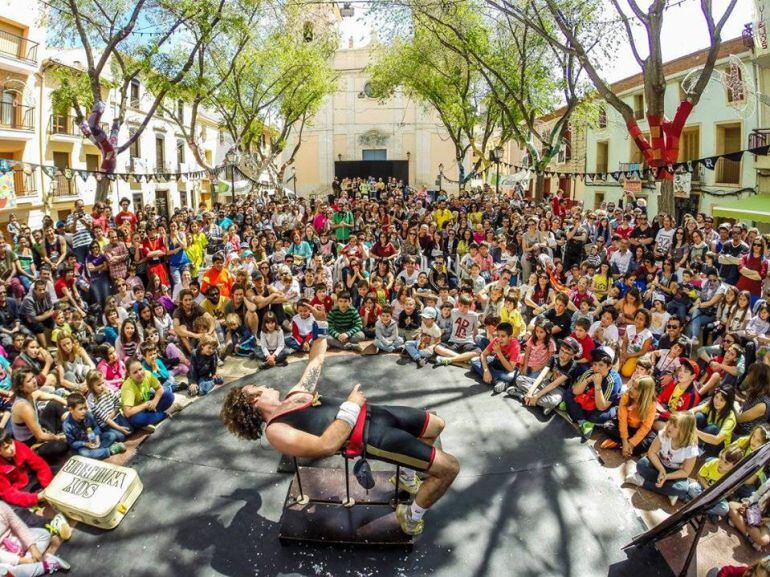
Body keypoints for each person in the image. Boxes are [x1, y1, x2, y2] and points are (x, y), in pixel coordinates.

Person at [220, 338, 460, 536]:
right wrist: (351, 406)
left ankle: (407, 476)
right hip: (371, 437)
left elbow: (315, 361)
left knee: (436, 425)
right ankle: (411, 517)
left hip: (375, 413)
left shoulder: (294, 395)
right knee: (449, 468)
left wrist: (320, 334)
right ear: (252, 400)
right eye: (256, 387)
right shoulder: (276, 430)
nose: (262, 385)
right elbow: (326, 445)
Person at [625, 411, 700, 506]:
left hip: (674, 473)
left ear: (684, 432)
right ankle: (668, 490)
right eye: (670, 422)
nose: (670, 427)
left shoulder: (691, 449)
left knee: (682, 489)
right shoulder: (664, 434)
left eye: (675, 426)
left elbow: (685, 472)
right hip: (658, 464)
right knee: (641, 465)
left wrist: (667, 476)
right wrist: (661, 469)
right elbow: (652, 452)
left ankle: (642, 482)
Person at [506, 337, 581, 414]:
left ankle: (521, 395)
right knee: (519, 379)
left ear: (573, 355)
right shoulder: (554, 358)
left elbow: (555, 384)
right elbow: (542, 375)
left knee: (552, 402)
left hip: (559, 390)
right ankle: (534, 400)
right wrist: (530, 392)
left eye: (567, 353)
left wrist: (536, 396)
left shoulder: (572, 366)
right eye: (562, 350)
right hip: (546, 383)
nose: (563, 354)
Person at [599, 375, 657, 456]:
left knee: (652, 440)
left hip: (638, 429)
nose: (631, 389)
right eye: (632, 386)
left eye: (635, 388)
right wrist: (624, 441)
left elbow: (645, 427)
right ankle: (625, 446)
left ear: (644, 393)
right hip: (625, 425)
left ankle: (620, 445)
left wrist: (631, 444)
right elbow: (622, 420)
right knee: (607, 425)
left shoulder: (651, 404)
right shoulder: (626, 395)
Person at [62, 392, 126, 460]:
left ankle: (97, 453)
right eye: (80, 409)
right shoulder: (67, 425)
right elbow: (72, 443)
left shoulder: (88, 414)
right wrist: (85, 444)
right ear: (71, 410)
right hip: (84, 446)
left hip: (94, 440)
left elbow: (96, 427)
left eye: (85, 408)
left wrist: (97, 438)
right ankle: (110, 450)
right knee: (84, 454)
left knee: (111, 436)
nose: (84, 411)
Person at [0, 431, 52, 508]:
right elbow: (8, 494)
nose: (12, 448)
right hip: (17, 490)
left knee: (57, 473)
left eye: (11, 442)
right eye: (6, 447)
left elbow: (41, 466)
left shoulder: (18, 446)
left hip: (30, 477)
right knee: (17, 511)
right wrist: (36, 498)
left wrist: (47, 486)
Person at [120, 358, 175, 432]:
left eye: (140, 369)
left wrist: (155, 401)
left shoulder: (147, 374)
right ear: (129, 375)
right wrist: (145, 405)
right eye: (135, 372)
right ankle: (163, 415)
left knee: (169, 396)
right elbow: (127, 413)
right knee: (137, 419)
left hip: (149, 406)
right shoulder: (128, 387)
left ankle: (151, 420)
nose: (139, 373)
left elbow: (159, 388)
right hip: (137, 412)